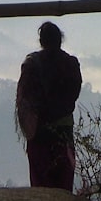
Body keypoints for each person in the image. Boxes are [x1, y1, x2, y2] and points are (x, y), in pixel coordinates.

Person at [16, 21, 82, 190]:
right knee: (63, 185)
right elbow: (73, 96)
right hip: (64, 134)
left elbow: (25, 100)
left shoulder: (31, 65)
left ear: (41, 41)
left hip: (39, 133)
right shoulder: (71, 64)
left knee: (40, 186)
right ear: (60, 40)